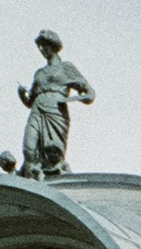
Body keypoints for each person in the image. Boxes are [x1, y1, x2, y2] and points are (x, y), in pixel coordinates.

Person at [16, 29, 94, 179]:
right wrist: (22, 95)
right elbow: (29, 102)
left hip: (55, 111)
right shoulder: (39, 73)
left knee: (53, 151)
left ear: (53, 45)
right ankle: (33, 178)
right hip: (37, 110)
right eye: (40, 47)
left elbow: (90, 92)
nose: (42, 50)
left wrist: (83, 97)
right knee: (29, 147)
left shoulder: (66, 67)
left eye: (45, 45)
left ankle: (53, 178)